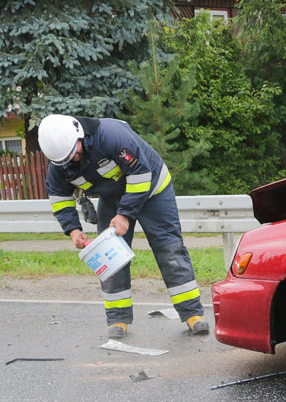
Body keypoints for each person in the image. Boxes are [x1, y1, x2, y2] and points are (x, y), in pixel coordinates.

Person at [39, 115, 210, 340]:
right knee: (108, 257)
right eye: (67, 159)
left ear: (79, 134)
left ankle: (192, 314)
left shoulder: (111, 135)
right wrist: (73, 229)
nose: (74, 158)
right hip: (113, 199)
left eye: (75, 152)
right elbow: (59, 198)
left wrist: (125, 215)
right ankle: (117, 318)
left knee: (169, 249)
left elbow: (141, 173)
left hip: (152, 190)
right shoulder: (60, 163)